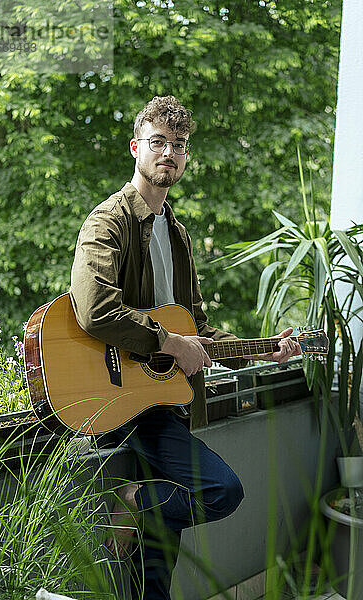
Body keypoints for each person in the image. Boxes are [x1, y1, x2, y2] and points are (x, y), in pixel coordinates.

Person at [69, 95, 301, 599]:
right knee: (222, 490)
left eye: (178, 145)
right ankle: (131, 498)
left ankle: (141, 505)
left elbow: (195, 326)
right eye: (158, 143)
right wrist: (169, 342)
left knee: (156, 571)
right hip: (125, 402)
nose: (168, 153)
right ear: (136, 148)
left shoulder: (177, 235)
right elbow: (94, 309)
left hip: (169, 402)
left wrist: (263, 350)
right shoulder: (108, 222)